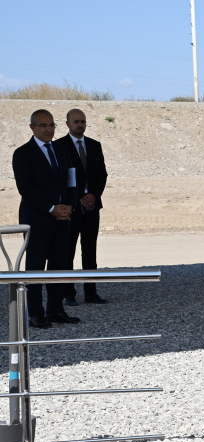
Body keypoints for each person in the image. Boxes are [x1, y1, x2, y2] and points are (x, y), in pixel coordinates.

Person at [11, 109, 79, 328]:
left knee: (59, 266)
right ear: (32, 128)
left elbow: (71, 180)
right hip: (37, 219)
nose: (49, 130)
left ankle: (56, 309)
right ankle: (34, 313)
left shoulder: (62, 150)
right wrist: (51, 208)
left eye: (52, 125)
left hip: (63, 219)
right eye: (43, 126)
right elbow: (26, 188)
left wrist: (69, 205)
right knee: (35, 266)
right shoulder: (23, 153)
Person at [55, 109, 108, 304]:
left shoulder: (94, 145)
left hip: (92, 207)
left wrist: (94, 195)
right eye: (76, 122)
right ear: (67, 123)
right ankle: (68, 294)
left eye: (83, 121)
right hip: (71, 207)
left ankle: (91, 293)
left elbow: (102, 175)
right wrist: (76, 199)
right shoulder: (59, 146)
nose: (80, 125)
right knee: (67, 251)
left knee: (90, 250)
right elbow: (60, 178)